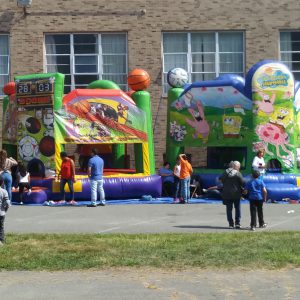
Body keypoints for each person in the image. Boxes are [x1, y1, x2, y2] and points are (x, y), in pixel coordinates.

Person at [220, 161, 244, 229]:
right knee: (237, 209)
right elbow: (243, 182)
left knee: (229, 209)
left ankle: (231, 224)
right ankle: (237, 223)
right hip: (236, 193)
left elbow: (220, 179)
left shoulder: (225, 172)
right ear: (235, 166)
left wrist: (226, 184)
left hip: (227, 193)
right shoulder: (238, 173)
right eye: (238, 167)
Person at [0, 176, 10, 246]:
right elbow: (7, 203)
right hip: (1, 212)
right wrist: (5, 210)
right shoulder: (4, 191)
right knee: (1, 227)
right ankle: (1, 241)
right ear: (2, 182)